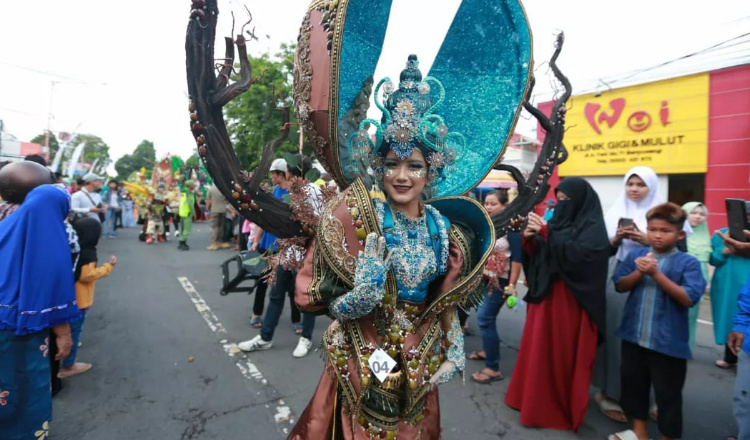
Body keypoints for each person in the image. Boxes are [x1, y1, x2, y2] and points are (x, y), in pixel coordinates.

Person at [288, 56, 493, 439]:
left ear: (431, 170)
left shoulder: (443, 227)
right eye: (392, 164)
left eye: (414, 165)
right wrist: (361, 296)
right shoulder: (354, 219)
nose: (402, 176)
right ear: (377, 167)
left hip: (419, 359)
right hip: (367, 352)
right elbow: (311, 298)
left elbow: (442, 301)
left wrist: (454, 348)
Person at [504, 178, 608, 431]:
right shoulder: (556, 224)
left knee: (559, 355)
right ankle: (529, 400)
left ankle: (555, 408)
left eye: (566, 201)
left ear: (581, 203)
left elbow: (583, 257)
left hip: (570, 303)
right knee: (538, 352)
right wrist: (530, 240)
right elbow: (543, 254)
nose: (561, 206)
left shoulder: (593, 230)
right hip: (546, 298)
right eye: (558, 200)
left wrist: (547, 234)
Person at [609, 203, 706, 440]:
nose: (658, 235)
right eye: (652, 229)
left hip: (668, 343)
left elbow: (689, 298)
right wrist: (640, 273)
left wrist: (655, 274)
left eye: (665, 230)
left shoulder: (688, 263)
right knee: (635, 387)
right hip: (634, 335)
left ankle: (668, 436)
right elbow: (620, 285)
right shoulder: (636, 255)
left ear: (680, 234)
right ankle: (639, 431)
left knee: (668, 394)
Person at [0, 185, 81, 439]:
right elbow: (52, 286)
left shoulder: (6, 227)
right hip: (21, 334)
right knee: (24, 395)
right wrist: (64, 333)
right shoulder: (48, 235)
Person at [596, 166, 664, 422]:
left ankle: (651, 397)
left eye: (640, 184)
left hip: (654, 279)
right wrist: (616, 240)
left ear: (651, 187)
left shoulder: (664, 214)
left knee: (649, 339)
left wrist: (649, 240)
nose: (634, 189)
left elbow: (681, 248)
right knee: (615, 337)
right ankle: (610, 393)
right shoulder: (614, 213)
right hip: (618, 276)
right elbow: (601, 250)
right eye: (630, 184)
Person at [239, 156, 318, 358]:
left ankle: (306, 338)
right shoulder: (286, 194)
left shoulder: (314, 194)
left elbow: (318, 226)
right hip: (286, 254)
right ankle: (265, 337)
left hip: (307, 257)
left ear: (291, 173)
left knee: (306, 298)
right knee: (276, 295)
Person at [469, 191, 522, 384]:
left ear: (504, 206)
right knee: (484, 317)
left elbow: (517, 259)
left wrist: (511, 285)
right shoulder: (488, 225)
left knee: (484, 318)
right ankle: (487, 350)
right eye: (487, 203)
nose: (489, 207)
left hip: (500, 281)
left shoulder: (512, 228)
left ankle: (493, 368)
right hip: (485, 278)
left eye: (493, 204)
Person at [58, 217, 116, 379]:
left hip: (66, 296)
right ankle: (68, 365)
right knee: (74, 331)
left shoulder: (71, 247)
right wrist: (107, 267)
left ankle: (62, 359)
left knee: (64, 328)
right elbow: (87, 275)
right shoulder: (88, 252)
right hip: (80, 298)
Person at [246, 159, 299, 330]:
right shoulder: (273, 192)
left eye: (273, 174)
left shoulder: (294, 194)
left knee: (291, 285)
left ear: (280, 174)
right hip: (268, 243)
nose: (272, 177)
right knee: (262, 279)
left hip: (287, 245)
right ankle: (256, 314)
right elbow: (264, 219)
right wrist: (255, 240)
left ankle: (296, 319)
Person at [711, 203, 750, 369]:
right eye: (745, 215)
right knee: (729, 317)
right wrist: (725, 251)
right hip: (725, 285)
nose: (747, 219)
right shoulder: (722, 233)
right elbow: (713, 259)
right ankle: (731, 356)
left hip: (746, 284)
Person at [682, 202, 711, 351]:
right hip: (679, 283)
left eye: (702, 214)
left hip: (698, 285)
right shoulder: (678, 235)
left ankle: (687, 349)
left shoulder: (707, 237)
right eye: (693, 213)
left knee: (691, 319)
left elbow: (709, 262)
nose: (698, 217)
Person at [206, 184, 230, 250]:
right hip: (223, 210)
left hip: (214, 210)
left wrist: (207, 210)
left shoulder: (211, 189)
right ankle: (220, 242)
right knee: (221, 226)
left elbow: (209, 201)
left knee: (214, 227)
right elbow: (227, 201)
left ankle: (214, 243)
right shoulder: (223, 189)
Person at [177, 180, 198, 251]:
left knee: (183, 229)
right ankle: (182, 243)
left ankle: (182, 243)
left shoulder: (183, 192)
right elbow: (190, 204)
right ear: (189, 186)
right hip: (187, 213)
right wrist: (194, 213)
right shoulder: (189, 193)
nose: (194, 187)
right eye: (193, 185)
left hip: (182, 212)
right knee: (187, 229)